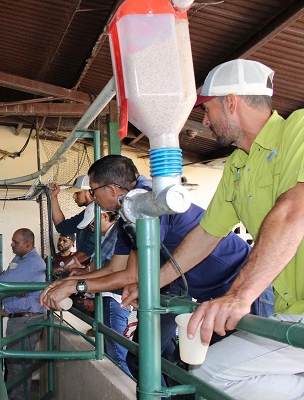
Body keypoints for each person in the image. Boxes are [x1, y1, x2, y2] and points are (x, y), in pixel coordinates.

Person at [127, 59, 302, 399]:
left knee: (211, 374)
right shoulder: (238, 164)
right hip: (287, 309)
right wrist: (150, 285)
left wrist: (239, 296)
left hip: (289, 310)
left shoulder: (299, 129)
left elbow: (293, 210)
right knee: (209, 374)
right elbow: (207, 234)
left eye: (207, 109)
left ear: (231, 102)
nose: (205, 121)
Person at [40, 155, 273, 395]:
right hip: (212, 296)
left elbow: (131, 275)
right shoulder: (129, 211)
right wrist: (68, 282)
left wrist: (75, 287)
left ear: (110, 188)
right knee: (192, 372)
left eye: (94, 190)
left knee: (235, 380)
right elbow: (114, 269)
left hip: (243, 287)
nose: (93, 197)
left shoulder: (147, 202)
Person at [50, 177, 131, 374]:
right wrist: (79, 275)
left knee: (119, 353)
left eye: (80, 192)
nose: (91, 227)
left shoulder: (119, 232)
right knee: (113, 350)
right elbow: (101, 267)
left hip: (115, 298)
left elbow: (112, 270)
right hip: (107, 294)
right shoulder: (106, 236)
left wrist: (75, 282)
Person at [0, 228, 46, 400]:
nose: (12, 244)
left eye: (15, 242)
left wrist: (10, 285)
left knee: (18, 365)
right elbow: (6, 278)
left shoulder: (33, 263)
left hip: (26, 320)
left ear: (28, 244)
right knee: (14, 363)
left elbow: (0, 281)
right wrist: (13, 286)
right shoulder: (20, 259)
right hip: (19, 319)